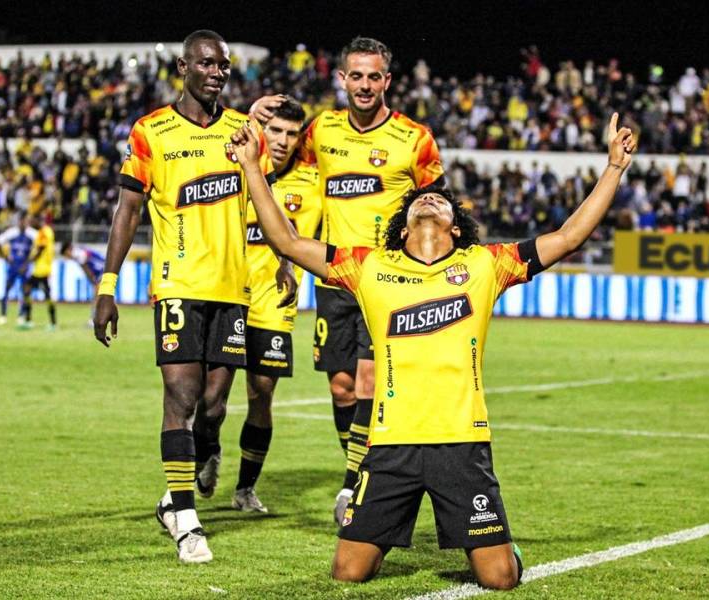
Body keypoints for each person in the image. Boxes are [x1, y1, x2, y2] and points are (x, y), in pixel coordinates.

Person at [228, 112, 635, 588]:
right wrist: (253, 168)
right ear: (402, 230)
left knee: (499, 578)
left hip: (461, 444)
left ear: (456, 228)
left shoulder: (486, 265)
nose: (430, 198)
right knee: (348, 572)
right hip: (389, 446)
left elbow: (567, 238)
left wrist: (613, 169)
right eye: (422, 198)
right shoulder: (368, 266)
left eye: (440, 200)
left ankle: (505, 548)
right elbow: (288, 240)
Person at [91, 29, 276, 565]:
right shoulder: (152, 131)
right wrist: (108, 285)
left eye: (223, 65)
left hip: (234, 291)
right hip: (177, 285)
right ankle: (186, 519)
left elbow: (262, 200)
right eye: (207, 63)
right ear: (183, 67)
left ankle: (196, 464)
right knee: (181, 397)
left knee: (214, 405)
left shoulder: (245, 132)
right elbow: (127, 210)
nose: (218, 72)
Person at [252, 37, 445, 524]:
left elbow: (437, 211)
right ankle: (357, 467)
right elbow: (283, 172)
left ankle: (352, 486)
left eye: (373, 76)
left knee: (366, 381)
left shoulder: (414, 139)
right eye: (355, 76)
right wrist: (250, 118)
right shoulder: (321, 132)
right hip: (334, 278)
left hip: (386, 283)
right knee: (341, 387)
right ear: (342, 79)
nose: (364, 85)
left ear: (387, 81)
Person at [231, 96, 321, 513]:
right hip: (226, 293)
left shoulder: (314, 181)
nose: (283, 140)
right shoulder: (235, 167)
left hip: (274, 301)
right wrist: (247, 115)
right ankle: (206, 453)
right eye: (276, 131)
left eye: (291, 133)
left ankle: (246, 488)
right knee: (209, 398)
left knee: (261, 392)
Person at [0, 211, 37, 326]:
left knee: (24, 291)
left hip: (24, 266)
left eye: (26, 221)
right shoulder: (12, 233)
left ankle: (21, 315)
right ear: (19, 221)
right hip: (13, 265)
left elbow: (41, 247)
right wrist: (5, 258)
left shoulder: (32, 234)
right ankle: (3, 315)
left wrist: (29, 261)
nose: (24, 223)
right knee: (7, 289)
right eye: (22, 221)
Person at [20, 214, 57, 331]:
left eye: (32, 221)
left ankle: (52, 322)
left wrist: (27, 263)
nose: (30, 223)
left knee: (45, 295)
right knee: (28, 289)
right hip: (41, 269)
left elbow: (41, 248)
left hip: (42, 270)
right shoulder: (48, 231)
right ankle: (30, 320)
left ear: (38, 220)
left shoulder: (43, 232)